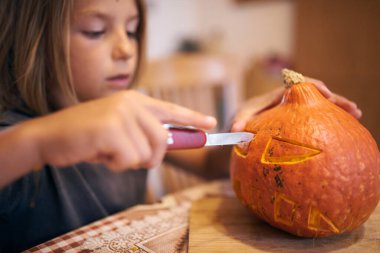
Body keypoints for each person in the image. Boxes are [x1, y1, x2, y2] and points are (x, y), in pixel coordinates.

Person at [0, 0, 361, 252]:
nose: (126, 48)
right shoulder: (15, 135)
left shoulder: (139, 121)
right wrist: (37, 143)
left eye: (133, 29)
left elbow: (212, 165)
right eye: (95, 31)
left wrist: (256, 126)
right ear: (31, 39)